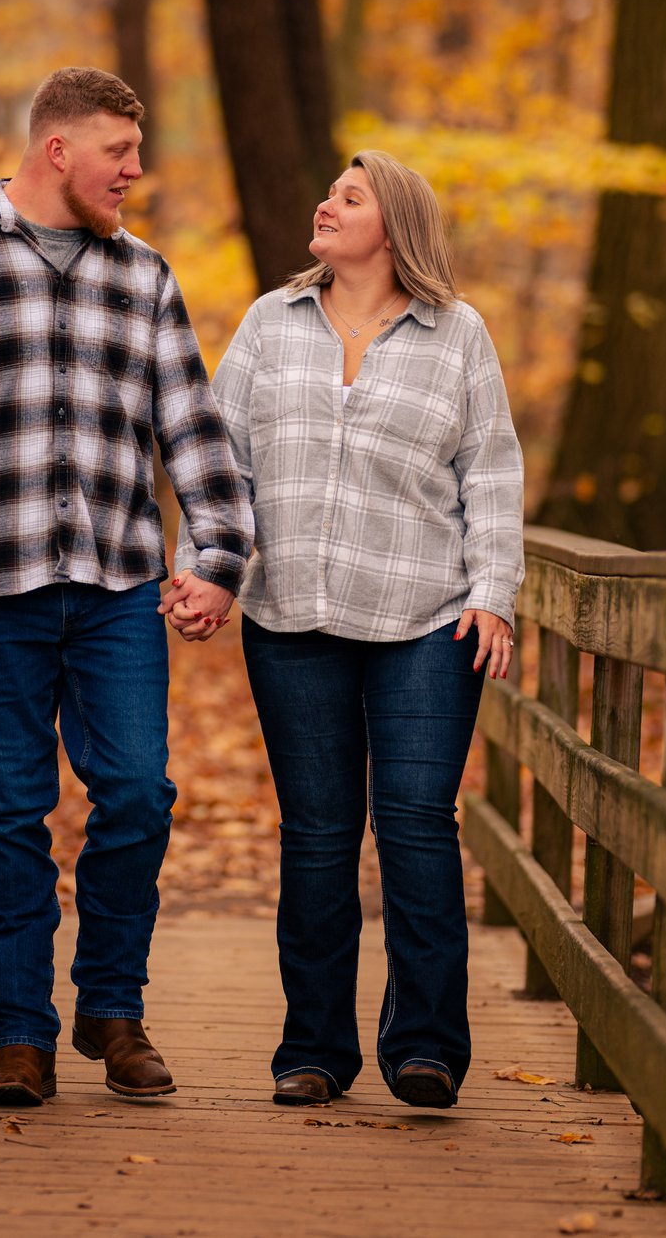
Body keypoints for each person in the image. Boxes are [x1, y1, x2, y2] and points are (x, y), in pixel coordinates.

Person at [0, 66, 250, 1108]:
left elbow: (193, 430)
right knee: (12, 813)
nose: (136, 170)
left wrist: (215, 557)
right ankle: (19, 1037)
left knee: (135, 791)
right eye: (119, 152)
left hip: (120, 583)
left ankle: (112, 1007)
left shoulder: (146, 276)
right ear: (57, 151)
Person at [163, 149, 523, 1110]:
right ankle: (312, 1048)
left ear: (395, 225)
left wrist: (495, 590)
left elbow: (489, 471)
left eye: (349, 196)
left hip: (427, 618)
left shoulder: (458, 335)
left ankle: (427, 1046)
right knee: (318, 838)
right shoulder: (270, 325)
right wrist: (211, 567)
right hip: (293, 615)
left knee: (415, 829)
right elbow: (217, 462)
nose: (325, 202)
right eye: (329, 190)